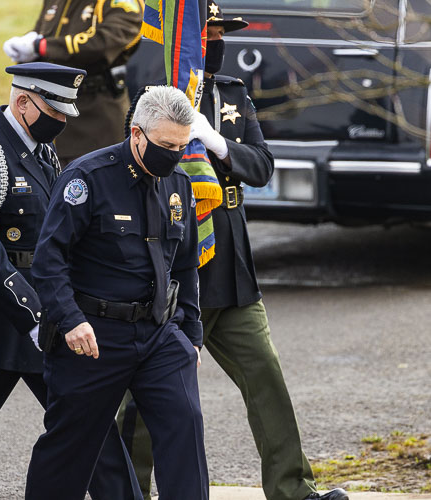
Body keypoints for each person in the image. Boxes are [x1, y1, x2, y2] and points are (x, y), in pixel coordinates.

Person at [118, 3, 349, 500]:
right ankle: (128, 490)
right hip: (177, 263)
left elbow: (262, 166)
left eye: (221, 32)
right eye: (209, 31)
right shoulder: (154, 100)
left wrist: (218, 144)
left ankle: (294, 488)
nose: (216, 40)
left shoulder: (233, 96)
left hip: (232, 264)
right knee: (145, 395)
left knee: (267, 379)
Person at [0, 62, 142, 500]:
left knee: (89, 423)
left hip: (49, 319)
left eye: (64, 113)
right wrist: (36, 315)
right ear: (22, 102)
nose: (61, 121)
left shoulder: (40, 150)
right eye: (53, 111)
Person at [25, 85, 208, 500]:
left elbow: (185, 265)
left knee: (186, 424)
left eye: (182, 146)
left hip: (159, 334)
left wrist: (192, 337)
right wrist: (70, 321)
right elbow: (48, 260)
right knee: (70, 449)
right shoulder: (87, 178)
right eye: (165, 145)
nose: (174, 154)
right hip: (93, 336)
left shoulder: (179, 183)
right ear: (137, 134)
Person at [2, 0, 142, 165]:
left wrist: (43, 46)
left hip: (95, 117)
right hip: (45, 114)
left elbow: (104, 42)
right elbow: (46, 33)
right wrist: (28, 43)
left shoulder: (119, 3)